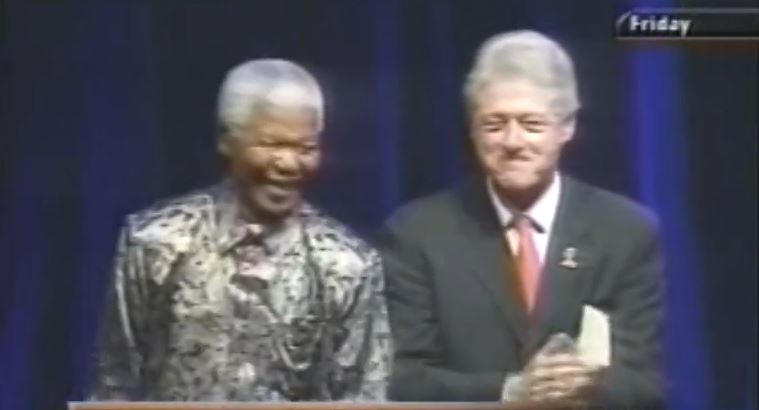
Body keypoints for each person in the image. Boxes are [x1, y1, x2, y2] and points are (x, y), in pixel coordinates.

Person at [378, 30, 664, 408]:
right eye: (494, 125)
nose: (512, 143)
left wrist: (589, 385)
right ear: (472, 130)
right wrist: (509, 391)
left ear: (567, 127)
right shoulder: (415, 233)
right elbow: (403, 380)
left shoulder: (626, 231)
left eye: (531, 125)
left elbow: (647, 385)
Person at [90, 59, 392, 401]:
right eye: (271, 145)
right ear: (226, 140)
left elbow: (364, 397)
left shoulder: (347, 265)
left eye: (305, 149)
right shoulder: (156, 242)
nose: (289, 164)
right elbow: (115, 387)